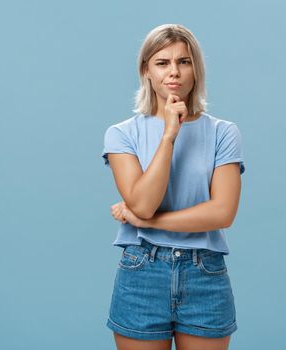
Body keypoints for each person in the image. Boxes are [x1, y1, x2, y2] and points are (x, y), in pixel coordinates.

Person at [101, 23, 245, 350]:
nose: (173, 72)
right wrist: (169, 134)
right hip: (142, 272)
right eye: (162, 63)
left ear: (196, 69)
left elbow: (222, 212)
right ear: (146, 71)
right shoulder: (121, 134)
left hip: (203, 273)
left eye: (184, 61)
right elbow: (143, 203)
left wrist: (145, 223)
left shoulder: (224, 132)